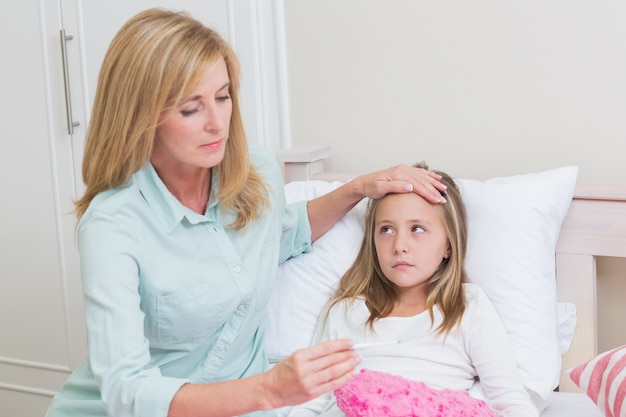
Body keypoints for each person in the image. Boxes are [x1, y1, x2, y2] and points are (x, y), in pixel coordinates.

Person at [44, 8, 448, 417]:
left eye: (223, 97)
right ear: (141, 117)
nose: (218, 123)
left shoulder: (255, 172)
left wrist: (359, 188)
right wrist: (270, 390)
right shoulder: (112, 226)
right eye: (191, 108)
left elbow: (277, 236)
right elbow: (125, 391)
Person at [287, 163, 538, 417]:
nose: (399, 245)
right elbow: (311, 402)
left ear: (448, 246)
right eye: (386, 229)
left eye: (417, 229)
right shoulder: (345, 310)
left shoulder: (466, 306)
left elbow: (510, 401)